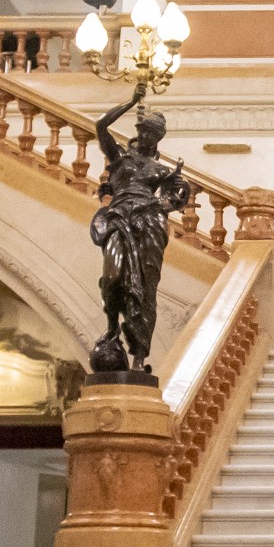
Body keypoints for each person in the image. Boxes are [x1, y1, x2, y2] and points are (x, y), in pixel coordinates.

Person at [87, 91, 193, 376]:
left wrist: (163, 200)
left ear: (159, 138)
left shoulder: (161, 170)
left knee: (145, 289)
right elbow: (100, 126)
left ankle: (138, 356)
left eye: (153, 133)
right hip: (119, 219)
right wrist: (131, 103)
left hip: (149, 225)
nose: (147, 136)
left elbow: (177, 198)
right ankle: (111, 328)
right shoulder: (119, 157)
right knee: (112, 277)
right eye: (144, 130)